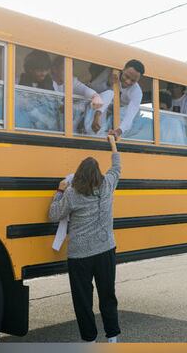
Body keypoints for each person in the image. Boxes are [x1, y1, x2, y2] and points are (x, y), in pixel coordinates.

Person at [49, 134, 122, 343]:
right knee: (107, 295)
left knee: (83, 300)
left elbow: (54, 214)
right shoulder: (108, 185)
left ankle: (89, 339)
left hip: (80, 257)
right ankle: (113, 338)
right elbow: (117, 166)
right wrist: (112, 143)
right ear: (98, 174)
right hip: (106, 251)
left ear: (79, 175)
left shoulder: (72, 194)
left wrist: (59, 191)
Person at [88, 59, 145, 139]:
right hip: (99, 110)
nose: (128, 82)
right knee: (109, 93)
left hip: (120, 120)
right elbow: (92, 88)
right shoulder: (111, 73)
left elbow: (130, 115)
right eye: (127, 76)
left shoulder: (137, 92)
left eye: (133, 80)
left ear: (138, 80)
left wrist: (118, 131)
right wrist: (107, 83)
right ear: (123, 69)